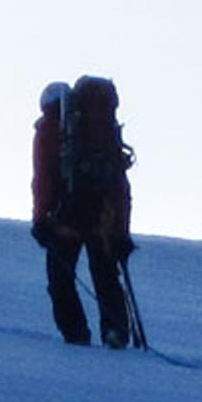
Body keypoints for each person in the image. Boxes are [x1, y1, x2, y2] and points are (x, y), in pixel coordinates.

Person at [31, 76, 137, 348]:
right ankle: (115, 331)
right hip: (103, 218)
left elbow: (43, 177)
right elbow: (120, 187)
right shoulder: (106, 133)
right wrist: (121, 234)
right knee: (105, 276)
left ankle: (76, 335)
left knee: (61, 280)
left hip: (65, 217)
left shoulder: (52, 129)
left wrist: (41, 218)